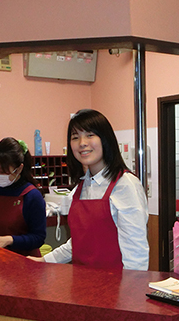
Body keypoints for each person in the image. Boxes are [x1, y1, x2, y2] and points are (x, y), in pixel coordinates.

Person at [31, 109, 149, 270]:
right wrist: (44, 261)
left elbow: (136, 254)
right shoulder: (82, 187)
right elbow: (79, 242)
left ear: (105, 139)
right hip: (82, 285)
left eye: (90, 135)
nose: (82, 143)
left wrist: (129, 293)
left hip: (115, 288)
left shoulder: (125, 185)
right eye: (75, 137)